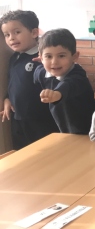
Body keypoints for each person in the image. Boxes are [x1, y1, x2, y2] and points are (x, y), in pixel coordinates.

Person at [1, 10, 58, 149]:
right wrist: (8, 98)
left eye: (17, 32)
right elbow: (13, 82)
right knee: (21, 152)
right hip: (18, 118)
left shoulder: (43, 58)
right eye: (7, 35)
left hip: (41, 119)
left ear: (34, 32)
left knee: (44, 152)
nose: (11, 38)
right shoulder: (14, 57)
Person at [33, 28, 95, 135]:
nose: (54, 62)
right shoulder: (41, 72)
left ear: (75, 56)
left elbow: (68, 86)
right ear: (41, 58)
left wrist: (57, 94)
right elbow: (33, 79)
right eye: (48, 56)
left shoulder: (78, 76)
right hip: (64, 130)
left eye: (61, 56)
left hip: (89, 131)